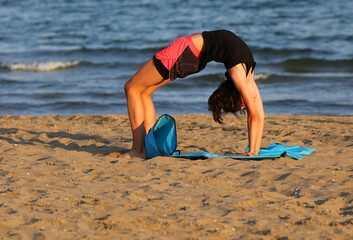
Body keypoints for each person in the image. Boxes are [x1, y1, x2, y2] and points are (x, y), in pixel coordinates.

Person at [120, 30, 264, 159]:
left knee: (131, 87)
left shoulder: (239, 73)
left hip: (187, 53)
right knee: (145, 92)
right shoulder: (246, 74)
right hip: (192, 58)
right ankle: (151, 146)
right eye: (242, 105)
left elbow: (255, 114)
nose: (244, 104)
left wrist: (252, 152)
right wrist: (254, 151)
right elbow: (258, 114)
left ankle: (137, 150)